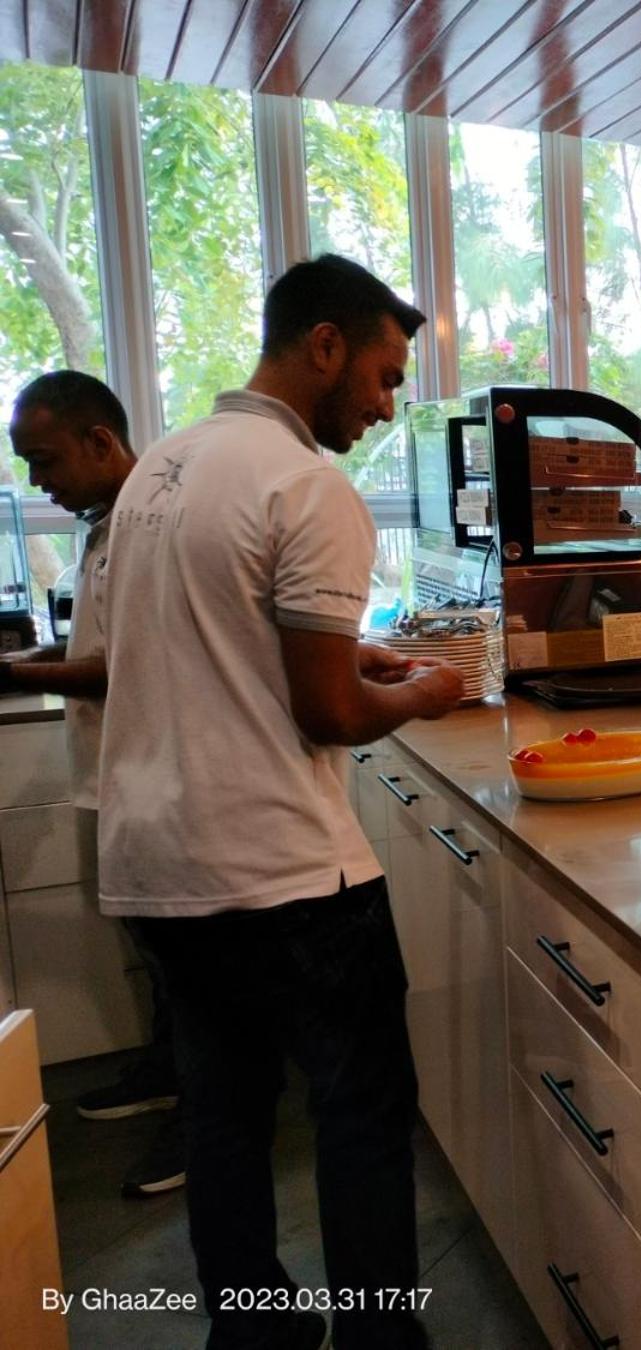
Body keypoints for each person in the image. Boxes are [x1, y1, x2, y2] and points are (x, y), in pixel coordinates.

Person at [96, 254, 464, 1350]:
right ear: (325, 345)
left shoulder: (163, 468)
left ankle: (252, 1331)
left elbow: (206, 638)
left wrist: (355, 655)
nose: (386, 406)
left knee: (224, 1118)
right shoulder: (307, 485)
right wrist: (426, 691)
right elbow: (330, 715)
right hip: (285, 873)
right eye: (385, 376)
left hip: (156, 862)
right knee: (361, 1117)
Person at [1, 372, 191, 1198]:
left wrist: (16, 676)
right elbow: (93, 642)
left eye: (44, 460)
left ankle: (204, 1123)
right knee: (153, 948)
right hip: (115, 772)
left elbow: (128, 666)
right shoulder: (103, 524)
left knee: (187, 962)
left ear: (101, 440)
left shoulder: (155, 527)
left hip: (160, 778)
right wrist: (23, 659)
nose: (36, 480)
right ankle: (165, 1073)